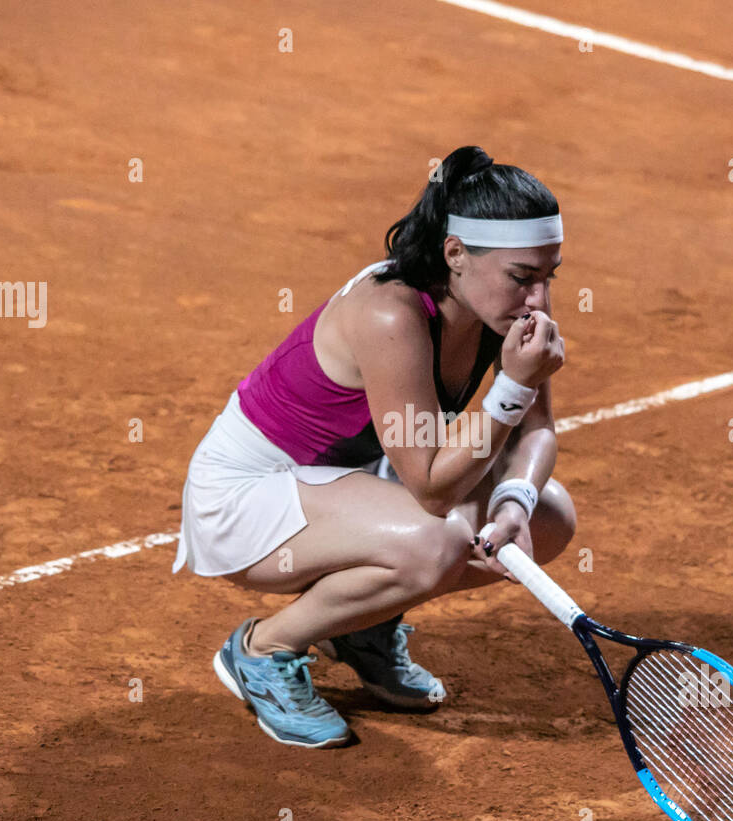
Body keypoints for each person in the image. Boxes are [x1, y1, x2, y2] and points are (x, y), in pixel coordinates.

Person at [172, 145, 575, 748]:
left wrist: (514, 504)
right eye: (523, 278)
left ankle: (363, 624)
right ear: (455, 255)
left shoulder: (501, 298)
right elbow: (435, 490)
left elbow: (535, 427)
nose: (539, 300)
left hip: (349, 482)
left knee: (549, 515)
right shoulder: (389, 316)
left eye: (548, 277)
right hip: (249, 500)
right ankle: (264, 649)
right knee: (435, 541)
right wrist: (512, 383)